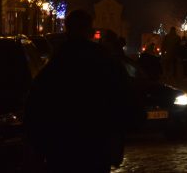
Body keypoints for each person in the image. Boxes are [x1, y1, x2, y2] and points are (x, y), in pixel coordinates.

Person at [24, 9, 133, 172]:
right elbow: (123, 95)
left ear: (67, 31)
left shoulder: (56, 63)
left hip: (62, 145)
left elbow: (36, 105)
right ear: (89, 31)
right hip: (96, 144)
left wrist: (39, 146)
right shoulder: (104, 59)